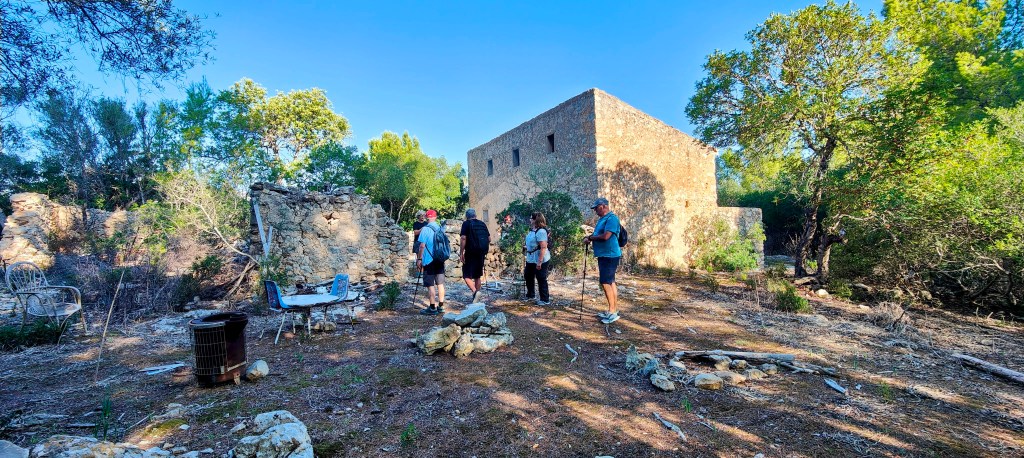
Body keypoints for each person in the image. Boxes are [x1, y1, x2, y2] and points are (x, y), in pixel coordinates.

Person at [582, 198, 621, 323]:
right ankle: (613, 310)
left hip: (609, 255)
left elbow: (606, 236)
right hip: (605, 254)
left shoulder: (612, 219)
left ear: (603, 206)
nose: (595, 211)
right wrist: (591, 238)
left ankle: (612, 312)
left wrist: (591, 238)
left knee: (605, 282)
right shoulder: (603, 219)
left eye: (596, 208)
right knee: (611, 282)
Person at [416, 210, 446, 315]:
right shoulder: (440, 228)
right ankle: (441, 306)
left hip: (429, 260)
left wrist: (419, 259)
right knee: (440, 284)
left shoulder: (425, 229)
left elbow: (422, 246)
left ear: (426, 217)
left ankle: (432, 308)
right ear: (435, 217)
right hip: (440, 259)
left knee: (430, 285)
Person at [459, 208, 490, 303]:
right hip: (481, 253)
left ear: (466, 216)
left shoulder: (466, 224)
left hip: (470, 252)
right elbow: (489, 239)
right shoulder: (482, 224)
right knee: (477, 276)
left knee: (466, 275)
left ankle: (475, 292)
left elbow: (463, 238)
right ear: (475, 215)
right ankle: (476, 297)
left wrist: (461, 252)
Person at [524, 212, 552, 306]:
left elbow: (543, 247)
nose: (530, 219)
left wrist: (539, 262)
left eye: (531, 218)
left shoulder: (541, 232)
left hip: (541, 258)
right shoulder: (533, 230)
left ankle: (545, 299)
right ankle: (531, 295)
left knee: (541, 277)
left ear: (536, 219)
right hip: (531, 257)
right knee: (528, 275)